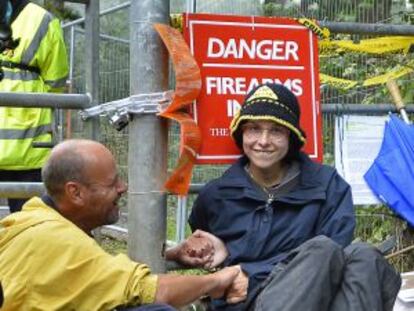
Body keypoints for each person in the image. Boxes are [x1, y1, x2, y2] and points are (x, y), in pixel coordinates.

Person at [172, 83, 402, 310]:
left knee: (364, 256)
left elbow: (333, 252)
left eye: (275, 130)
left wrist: (254, 273)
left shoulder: (327, 185)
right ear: (241, 133)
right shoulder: (216, 195)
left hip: (315, 294)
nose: (263, 141)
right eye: (253, 128)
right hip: (245, 302)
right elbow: (205, 252)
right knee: (324, 248)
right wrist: (205, 253)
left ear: (291, 136)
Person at [0, 139, 242, 311]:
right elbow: (152, 291)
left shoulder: (34, 216)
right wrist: (218, 280)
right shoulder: (58, 240)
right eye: (111, 183)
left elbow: (89, 272)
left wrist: (171, 255)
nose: (122, 187)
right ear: (75, 192)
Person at [0, 0, 69, 212]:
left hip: (27, 149)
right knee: (28, 225)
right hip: (28, 145)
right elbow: (56, 81)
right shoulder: (42, 19)